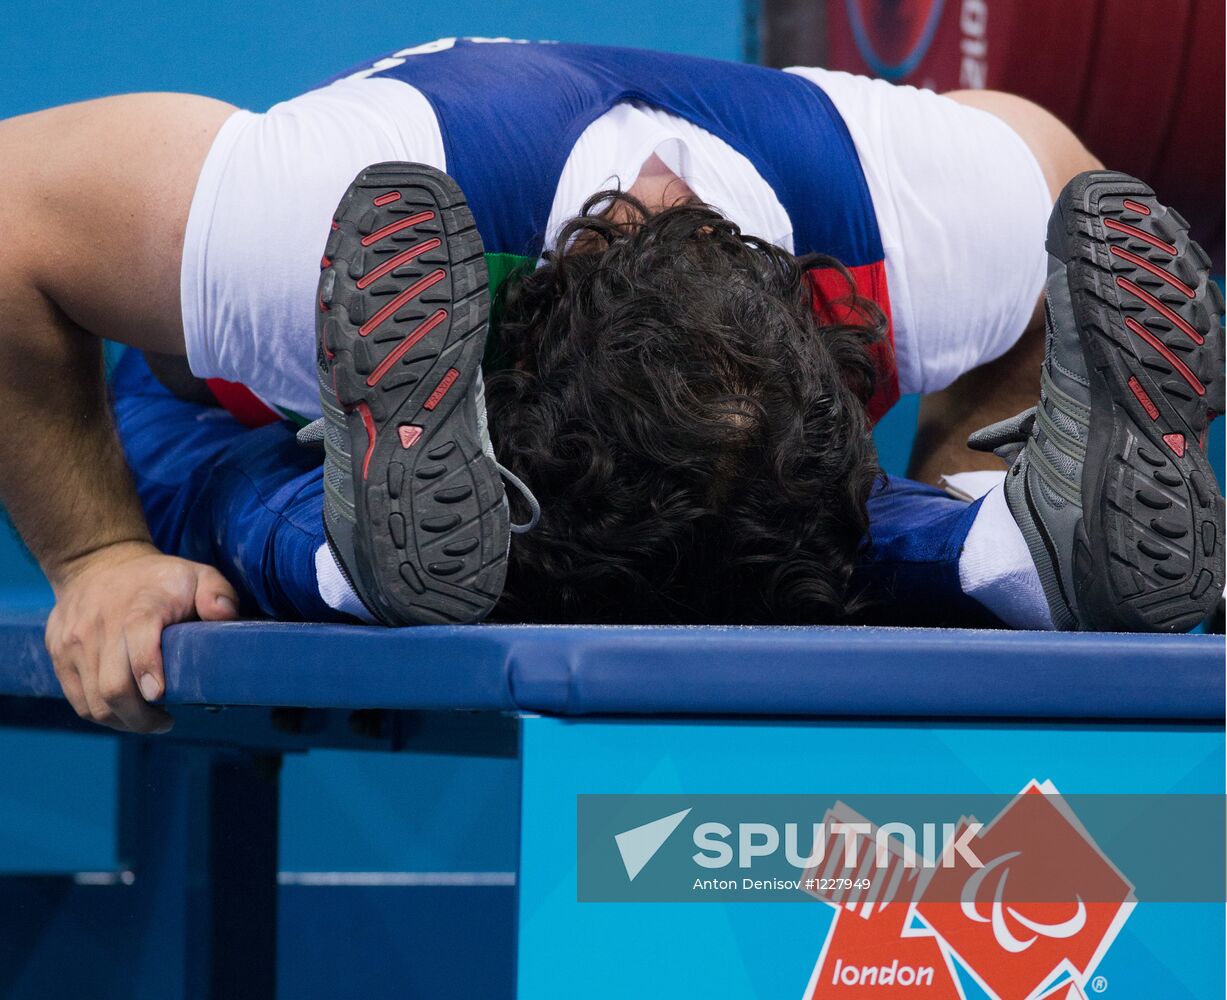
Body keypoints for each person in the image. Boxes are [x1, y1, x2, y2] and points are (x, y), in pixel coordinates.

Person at [0, 39, 1220, 735]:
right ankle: (992, 553)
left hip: (555, 385)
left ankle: (1016, 526)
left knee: (752, 506)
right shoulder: (297, 223)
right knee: (790, 536)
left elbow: (1055, 183)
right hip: (231, 399)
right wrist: (97, 552)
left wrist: (967, 454)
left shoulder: (965, 209)